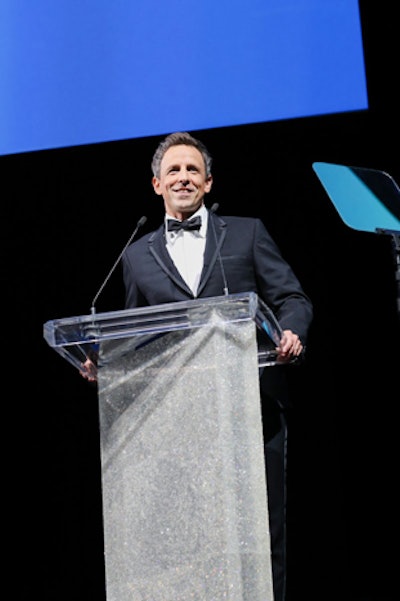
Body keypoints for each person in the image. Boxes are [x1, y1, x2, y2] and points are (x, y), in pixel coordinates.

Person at [82, 131, 313, 601]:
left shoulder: (248, 232)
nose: (183, 178)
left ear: (208, 183)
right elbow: (137, 334)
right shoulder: (135, 254)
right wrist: (103, 363)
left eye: (192, 170)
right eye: (174, 171)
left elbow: (292, 297)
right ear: (156, 185)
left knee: (261, 532)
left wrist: (292, 332)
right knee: (190, 538)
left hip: (253, 405)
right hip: (178, 416)